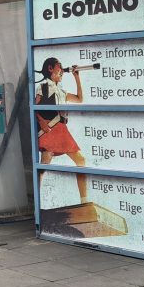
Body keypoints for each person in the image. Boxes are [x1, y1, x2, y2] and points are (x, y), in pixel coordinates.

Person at [35, 57, 88, 204]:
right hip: (51, 130)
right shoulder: (44, 86)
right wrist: (41, 122)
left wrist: (76, 78)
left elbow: (79, 99)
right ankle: (38, 202)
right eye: (60, 67)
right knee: (44, 165)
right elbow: (35, 107)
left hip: (62, 129)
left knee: (81, 160)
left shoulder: (61, 91)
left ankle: (84, 201)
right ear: (51, 69)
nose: (62, 70)